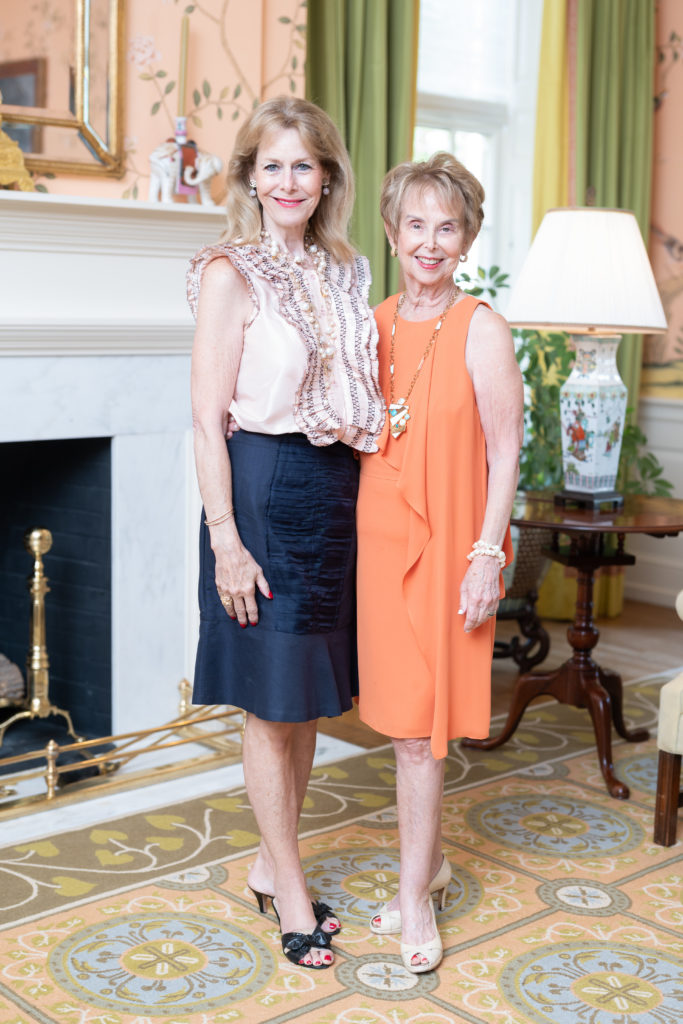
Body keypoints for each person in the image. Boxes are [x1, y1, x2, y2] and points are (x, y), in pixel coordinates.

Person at [188, 96, 384, 970]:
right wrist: (226, 539)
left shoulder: (348, 271)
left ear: (328, 176)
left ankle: (275, 864)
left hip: (334, 492)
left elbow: (360, 397)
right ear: (249, 178)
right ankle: (291, 895)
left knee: (303, 701)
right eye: (271, 165)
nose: (287, 181)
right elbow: (203, 421)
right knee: (270, 710)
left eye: (303, 164)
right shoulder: (231, 273)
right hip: (261, 494)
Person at [356, 153, 523, 973]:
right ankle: (430, 867)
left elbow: (505, 451)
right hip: (378, 549)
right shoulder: (373, 321)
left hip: (453, 546)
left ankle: (414, 895)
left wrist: (486, 554)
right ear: (391, 234)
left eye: (446, 226)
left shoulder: (479, 326)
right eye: (414, 224)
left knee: (424, 735)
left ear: (466, 239)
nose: (429, 240)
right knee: (398, 731)